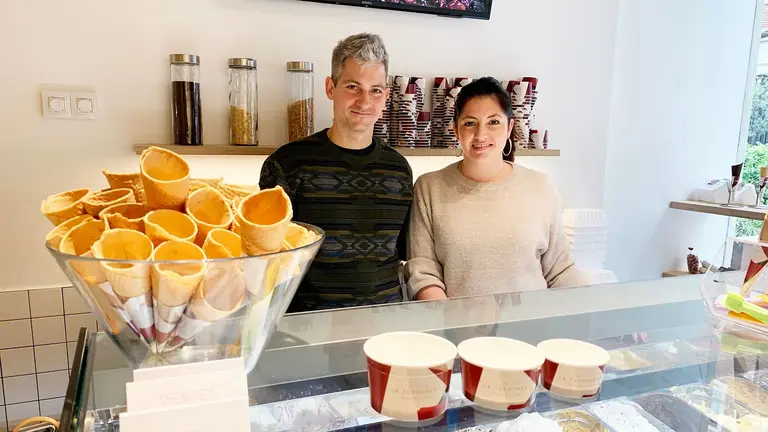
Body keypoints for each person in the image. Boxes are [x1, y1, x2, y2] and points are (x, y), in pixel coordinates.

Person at [260, 33, 413, 312]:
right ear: (330, 88)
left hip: (385, 327)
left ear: (387, 95)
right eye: (353, 86)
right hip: (307, 330)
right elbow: (267, 260)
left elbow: (400, 253)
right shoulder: (286, 164)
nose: (365, 101)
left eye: (376, 90)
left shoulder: (399, 170)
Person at [406, 77, 588, 301]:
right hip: (458, 330)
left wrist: (613, 312)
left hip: (531, 328)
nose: (481, 135)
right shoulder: (429, 188)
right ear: (455, 130)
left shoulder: (540, 187)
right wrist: (450, 323)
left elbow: (560, 271)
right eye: (470, 123)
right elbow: (423, 272)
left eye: (493, 122)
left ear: (509, 127)